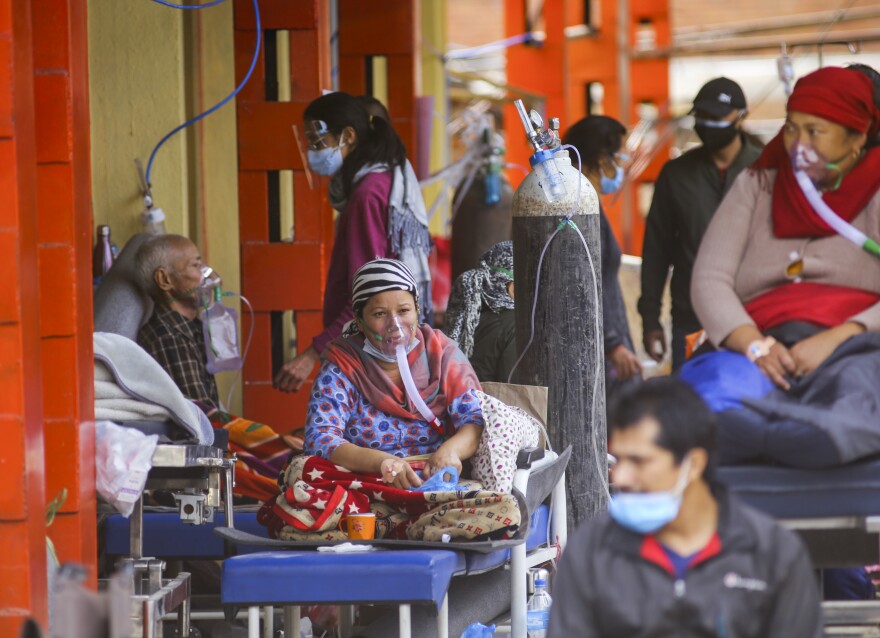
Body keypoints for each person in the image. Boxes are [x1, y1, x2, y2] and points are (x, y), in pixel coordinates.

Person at [686, 65, 880, 467]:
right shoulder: (757, 183)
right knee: (715, 388)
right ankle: (770, 434)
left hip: (855, 346)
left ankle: (803, 435)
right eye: (791, 128)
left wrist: (842, 336)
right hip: (757, 344)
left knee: (860, 390)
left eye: (815, 131)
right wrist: (754, 344)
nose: (798, 143)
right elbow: (710, 278)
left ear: (857, 138)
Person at [547, 377, 822, 637]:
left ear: (694, 465)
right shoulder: (591, 551)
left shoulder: (772, 554)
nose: (619, 477)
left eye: (639, 461)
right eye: (619, 460)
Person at [274, 92, 433, 393]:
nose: (311, 151)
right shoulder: (384, 182)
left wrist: (312, 354)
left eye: (317, 140)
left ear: (347, 136)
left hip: (374, 351)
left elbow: (369, 294)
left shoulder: (367, 194)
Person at [136, 234, 298, 501]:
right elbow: (198, 419)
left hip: (212, 436)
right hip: (197, 449)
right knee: (287, 471)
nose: (206, 274)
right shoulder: (169, 336)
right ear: (165, 280)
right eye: (195, 266)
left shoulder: (192, 327)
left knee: (299, 447)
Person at [303, 258, 484, 488]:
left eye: (404, 310)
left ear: (417, 310)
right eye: (379, 314)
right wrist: (382, 462)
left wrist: (450, 451)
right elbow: (319, 438)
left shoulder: (442, 355)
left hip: (436, 482)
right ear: (359, 321)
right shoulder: (344, 366)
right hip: (366, 484)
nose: (395, 324)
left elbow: (476, 420)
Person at [639, 77, 762, 370]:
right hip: (692, 318)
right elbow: (657, 249)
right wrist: (650, 317)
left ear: (740, 118)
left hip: (756, 317)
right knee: (693, 405)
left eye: (716, 117)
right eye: (701, 116)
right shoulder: (676, 174)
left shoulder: (766, 169)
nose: (707, 124)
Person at [561, 116, 642, 397]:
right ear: (599, 158)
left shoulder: (588, 203)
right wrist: (614, 344)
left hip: (607, 345)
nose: (622, 166)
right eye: (619, 157)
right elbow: (584, 283)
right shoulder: (579, 208)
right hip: (601, 351)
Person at [445, 241, 517, 383]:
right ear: (512, 288)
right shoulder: (515, 324)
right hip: (492, 404)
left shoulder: (465, 311)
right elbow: (513, 385)